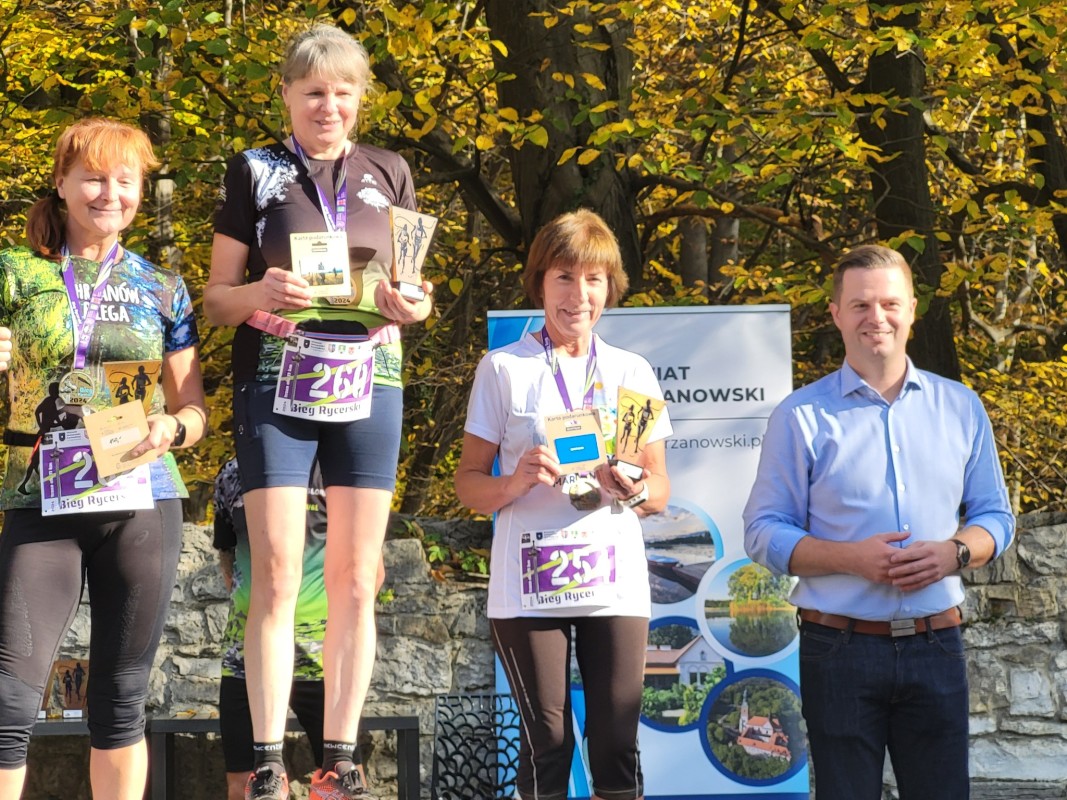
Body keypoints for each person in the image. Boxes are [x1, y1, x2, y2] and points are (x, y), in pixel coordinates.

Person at [204, 23, 432, 800]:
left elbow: (414, 289)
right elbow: (214, 299)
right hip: (277, 380)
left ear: (359, 98)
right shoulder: (256, 171)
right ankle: (267, 756)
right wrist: (257, 293)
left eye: (341, 92)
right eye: (312, 92)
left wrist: (414, 304)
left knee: (357, 576)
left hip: (371, 379)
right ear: (287, 96)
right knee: (272, 570)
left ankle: (341, 753)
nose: (327, 105)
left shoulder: (390, 170)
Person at [743, 244, 1015, 799]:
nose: (877, 317)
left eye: (890, 302)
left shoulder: (961, 406)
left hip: (937, 645)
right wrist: (851, 559)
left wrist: (954, 553)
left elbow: (996, 517)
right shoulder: (801, 416)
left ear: (913, 309)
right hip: (837, 647)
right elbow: (762, 530)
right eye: (861, 304)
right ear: (837, 314)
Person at [0, 118, 207, 800]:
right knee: (9, 701)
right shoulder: (13, 270)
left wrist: (170, 430)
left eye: (126, 180)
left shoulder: (163, 286)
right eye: (92, 176)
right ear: (60, 183)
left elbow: (194, 411)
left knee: (120, 699)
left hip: (140, 495)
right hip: (38, 500)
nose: (108, 193)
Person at [455, 209, 672, 800]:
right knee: (547, 741)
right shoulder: (504, 368)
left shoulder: (631, 372)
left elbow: (659, 490)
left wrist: (635, 488)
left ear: (610, 287)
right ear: (540, 283)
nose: (580, 295)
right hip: (530, 581)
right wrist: (515, 481)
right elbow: (468, 485)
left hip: (613, 578)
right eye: (564, 278)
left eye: (594, 279)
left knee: (614, 744)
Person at [214, 458, 385, 800]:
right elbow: (228, 558)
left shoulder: (340, 469)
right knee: (245, 783)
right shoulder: (234, 471)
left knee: (344, 781)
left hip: (323, 659)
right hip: (247, 660)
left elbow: (370, 572)